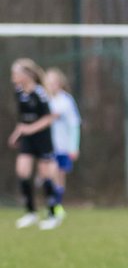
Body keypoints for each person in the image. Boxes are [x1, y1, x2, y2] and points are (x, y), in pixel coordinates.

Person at [8, 59, 62, 229]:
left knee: (45, 175)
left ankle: (53, 214)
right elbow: (23, 118)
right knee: (22, 171)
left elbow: (49, 118)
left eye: (16, 74)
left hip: (42, 138)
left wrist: (30, 129)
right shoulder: (19, 92)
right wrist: (17, 133)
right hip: (27, 138)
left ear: (27, 75)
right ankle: (30, 212)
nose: (13, 77)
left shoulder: (40, 93)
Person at [44, 68, 81, 210]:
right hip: (46, 145)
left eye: (53, 82)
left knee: (58, 175)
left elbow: (74, 124)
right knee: (49, 173)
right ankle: (53, 205)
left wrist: (74, 147)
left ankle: (56, 206)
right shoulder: (44, 99)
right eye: (48, 82)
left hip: (62, 146)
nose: (51, 85)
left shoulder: (66, 101)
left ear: (59, 83)